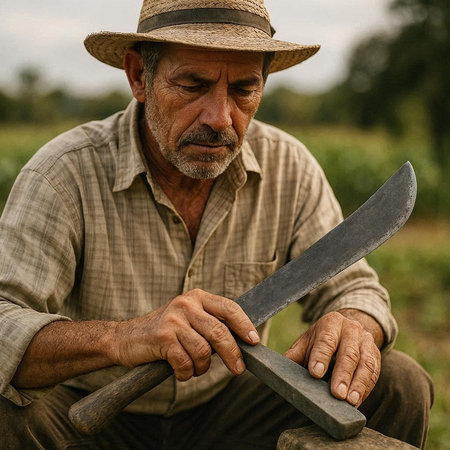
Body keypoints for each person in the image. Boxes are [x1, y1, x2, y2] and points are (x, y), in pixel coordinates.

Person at [0, 1, 433, 449]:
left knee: (400, 383)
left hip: (233, 415)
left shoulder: (290, 169)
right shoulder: (62, 175)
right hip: (92, 415)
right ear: (137, 77)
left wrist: (352, 321)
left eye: (244, 90)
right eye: (192, 85)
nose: (219, 118)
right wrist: (122, 338)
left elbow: (356, 289)